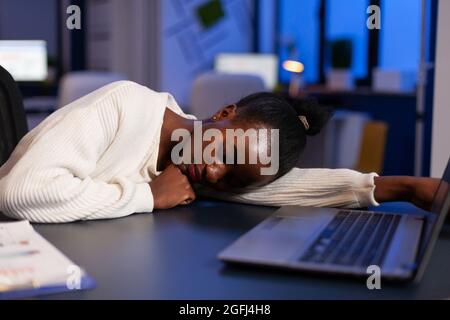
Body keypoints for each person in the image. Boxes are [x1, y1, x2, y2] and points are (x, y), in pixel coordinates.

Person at [0, 81, 440, 223]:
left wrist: (400, 187)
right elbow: (18, 192)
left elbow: (285, 187)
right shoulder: (122, 105)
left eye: (233, 178)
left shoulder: (197, 168)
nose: (212, 173)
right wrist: (148, 197)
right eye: (224, 153)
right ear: (225, 112)